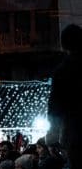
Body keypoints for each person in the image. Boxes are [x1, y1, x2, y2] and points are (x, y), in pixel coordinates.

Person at [47, 23, 82, 169]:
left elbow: (55, 107)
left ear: (64, 45)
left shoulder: (63, 71)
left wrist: (52, 136)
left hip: (75, 133)